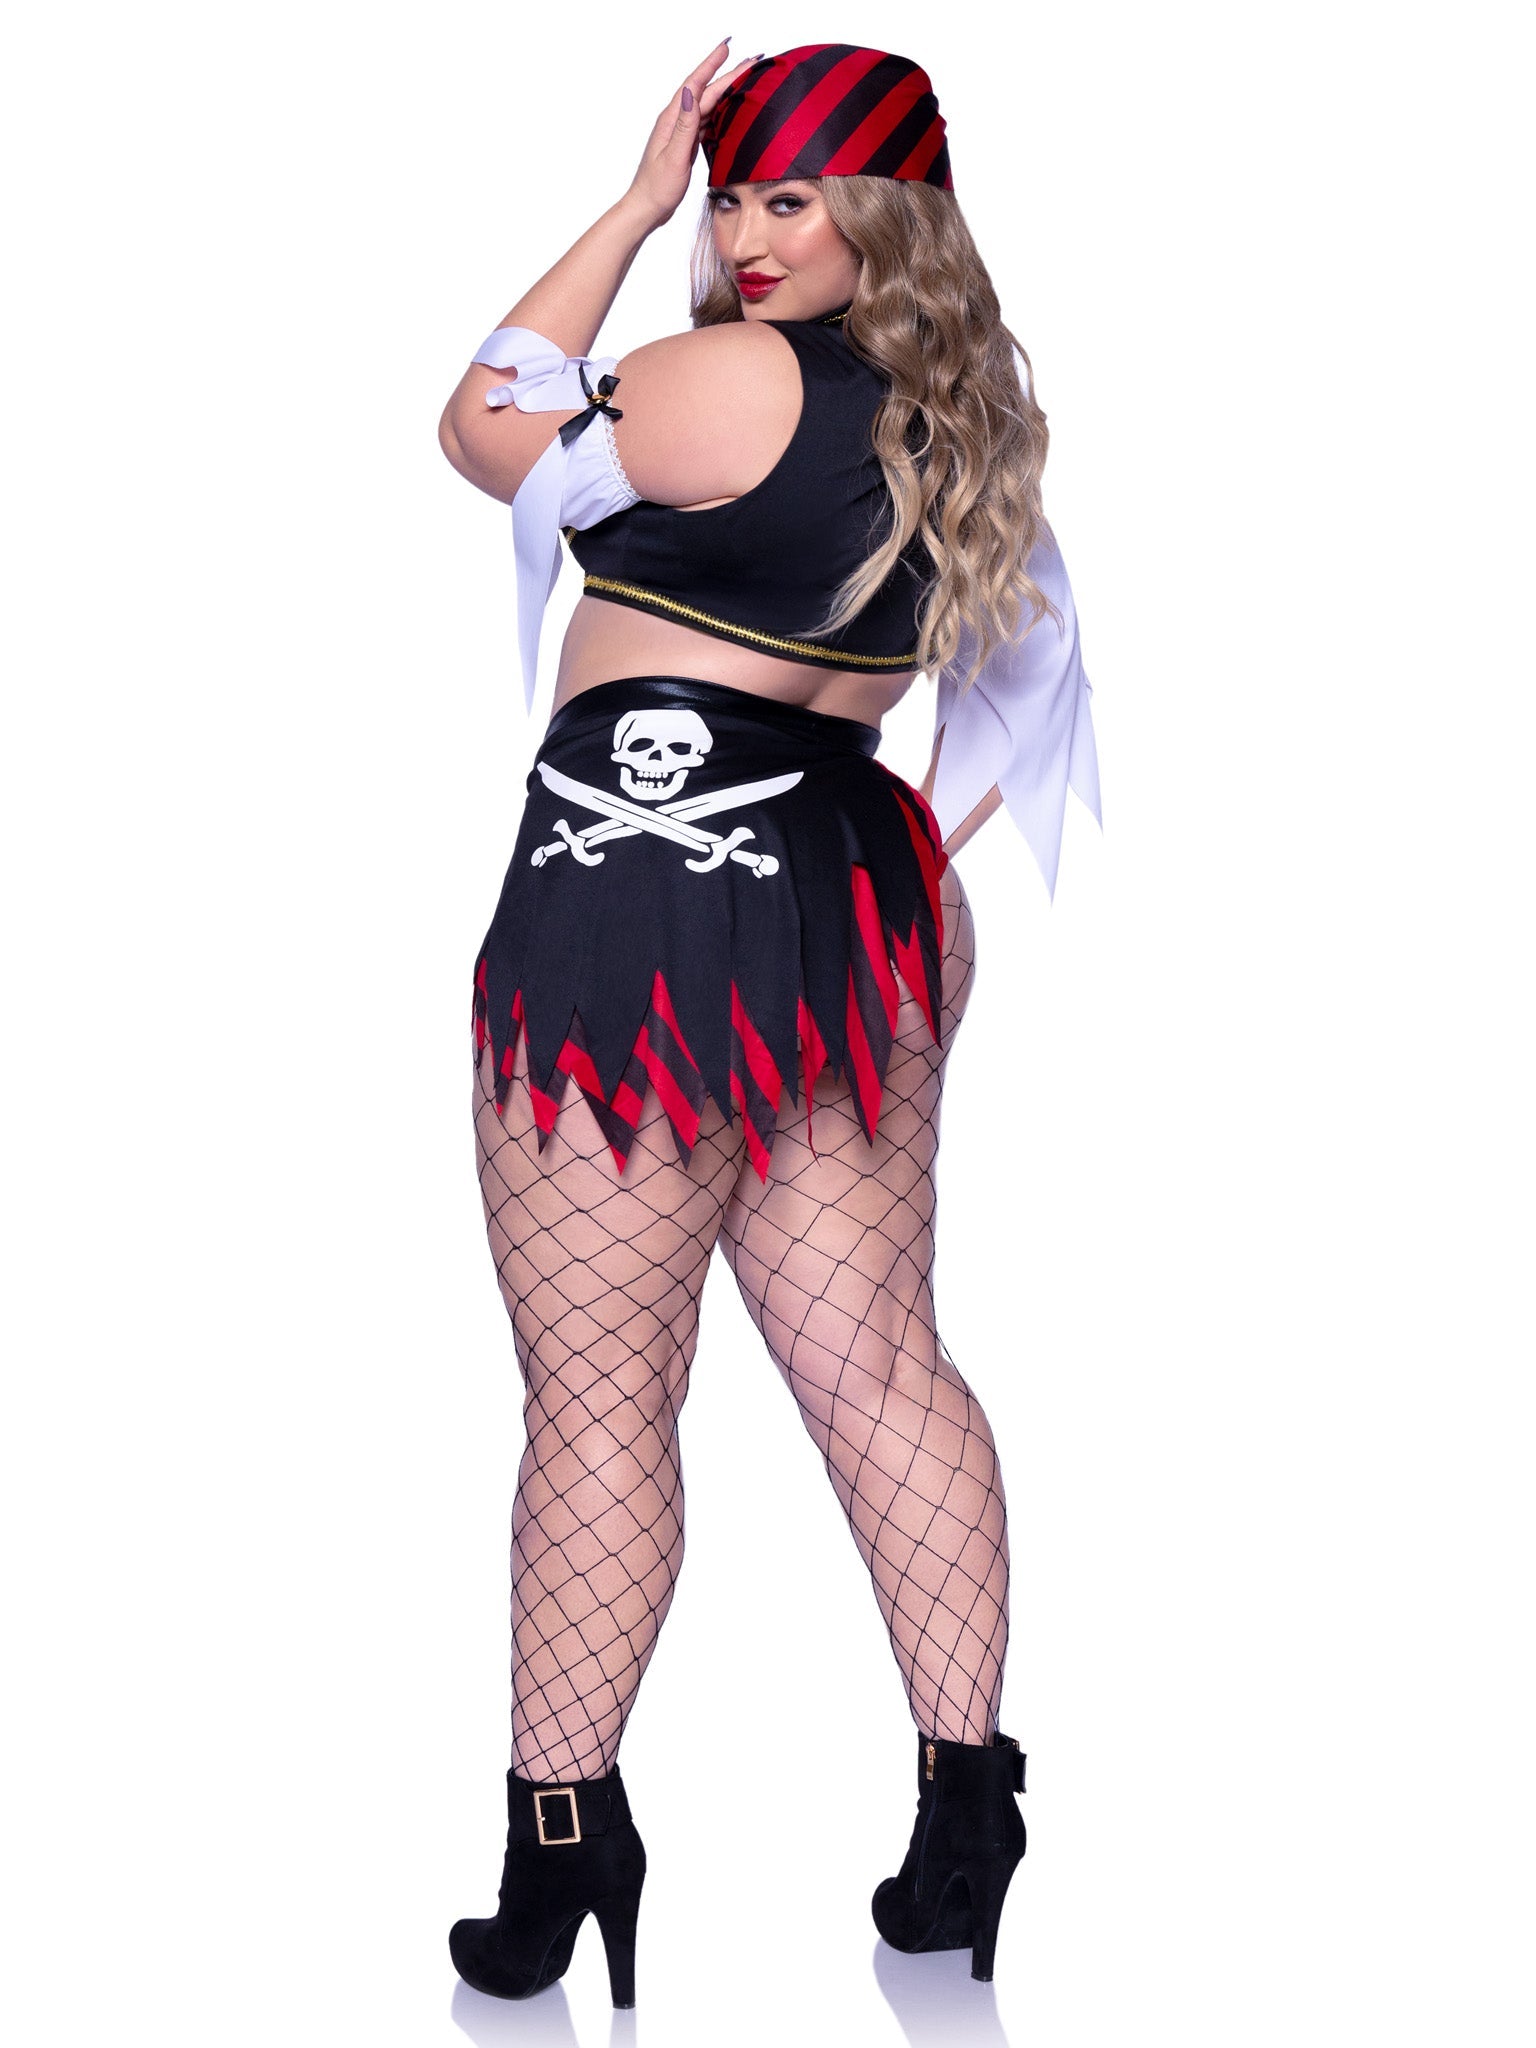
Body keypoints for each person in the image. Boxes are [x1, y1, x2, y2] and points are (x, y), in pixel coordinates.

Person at [436, 38, 1100, 2008]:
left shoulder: (728, 377)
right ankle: (969, 1811)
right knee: (880, 1363)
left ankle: (562, 1842)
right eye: (726, 194)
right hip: (859, 899)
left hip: (641, 892)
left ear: (883, 211)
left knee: (599, 1395)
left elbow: (485, 421)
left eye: (785, 195)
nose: (743, 231)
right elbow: (989, 708)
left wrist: (628, 203)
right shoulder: (967, 418)